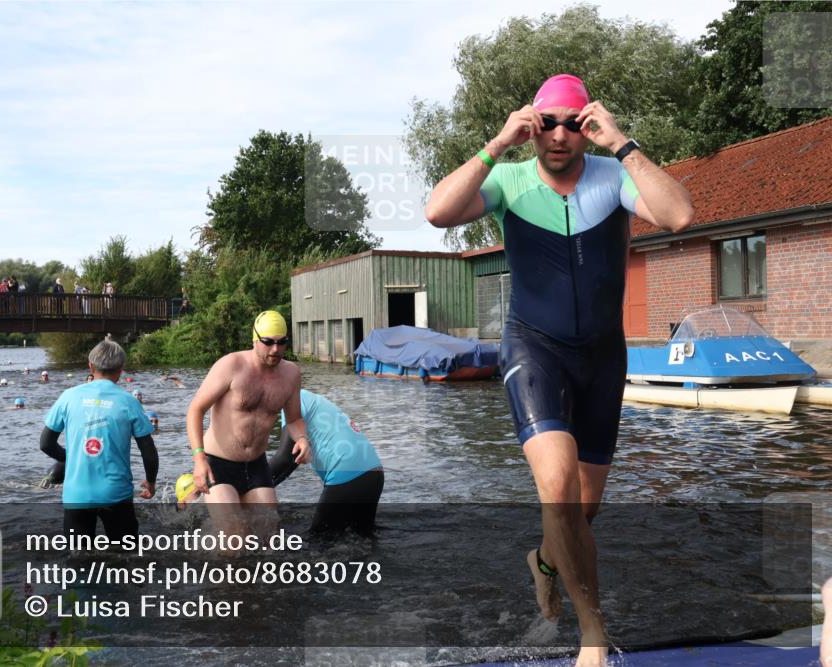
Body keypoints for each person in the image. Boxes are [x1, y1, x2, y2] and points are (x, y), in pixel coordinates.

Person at [424, 73, 694, 667]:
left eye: (574, 123)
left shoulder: (612, 176)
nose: (560, 135)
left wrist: (621, 143)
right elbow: (438, 212)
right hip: (533, 347)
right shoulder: (511, 179)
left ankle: (544, 562)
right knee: (559, 489)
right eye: (548, 123)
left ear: (587, 125)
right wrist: (496, 144)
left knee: (583, 511)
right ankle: (593, 634)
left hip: (602, 356)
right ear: (533, 125)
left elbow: (678, 216)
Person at [186, 311, 311, 523]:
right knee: (233, 540)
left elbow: (294, 419)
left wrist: (302, 439)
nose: (275, 349)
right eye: (268, 342)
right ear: (255, 340)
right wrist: (199, 459)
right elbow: (195, 410)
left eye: (282, 343)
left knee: (269, 535)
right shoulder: (231, 365)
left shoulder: (291, 374)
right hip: (217, 463)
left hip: (256, 464)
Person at [39, 339, 158, 539]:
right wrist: (151, 481)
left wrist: (72, 458)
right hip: (116, 493)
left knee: (77, 560)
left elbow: (46, 444)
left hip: (77, 494)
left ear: (90, 366)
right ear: (121, 370)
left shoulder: (68, 397)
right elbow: (148, 450)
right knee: (125, 558)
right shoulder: (128, 401)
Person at [269, 389, 383, 534]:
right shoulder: (307, 397)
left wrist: (247, 489)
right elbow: (293, 459)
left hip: (347, 475)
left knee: (317, 543)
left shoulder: (293, 402)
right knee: (362, 536)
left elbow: (285, 458)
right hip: (374, 472)